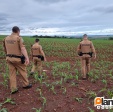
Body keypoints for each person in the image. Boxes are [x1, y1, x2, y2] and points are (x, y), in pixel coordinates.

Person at [3, 26, 32, 94]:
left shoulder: (6, 38)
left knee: (12, 74)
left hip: (9, 58)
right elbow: (23, 49)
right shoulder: (19, 38)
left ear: (12, 31)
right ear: (18, 31)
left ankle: (13, 88)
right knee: (23, 71)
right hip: (18, 59)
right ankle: (26, 84)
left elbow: (5, 49)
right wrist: (27, 58)